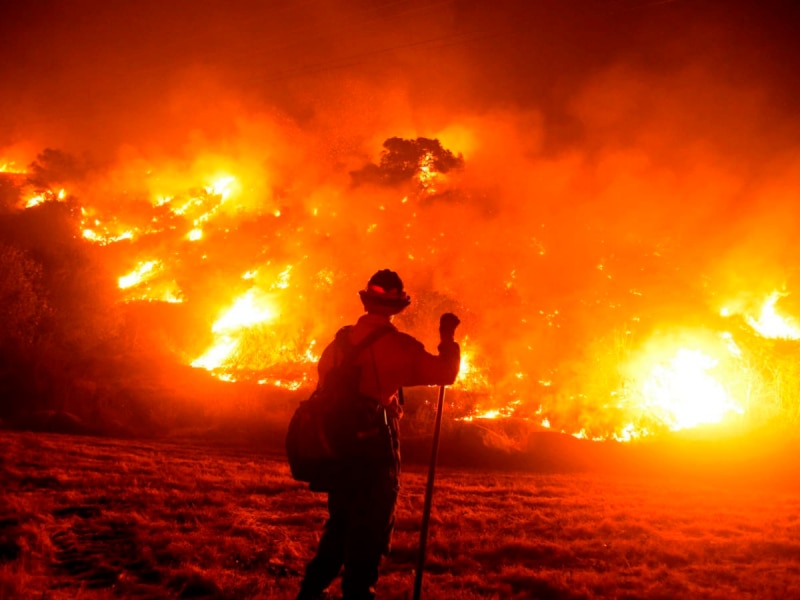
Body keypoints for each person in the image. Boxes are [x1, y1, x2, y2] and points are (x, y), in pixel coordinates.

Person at [297, 269, 461, 600]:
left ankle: (310, 592)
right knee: (371, 531)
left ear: (367, 302)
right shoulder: (399, 346)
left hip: (339, 449)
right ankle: (359, 594)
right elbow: (445, 373)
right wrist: (447, 337)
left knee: (340, 523)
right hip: (374, 450)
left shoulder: (338, 343)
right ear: (398, 306)